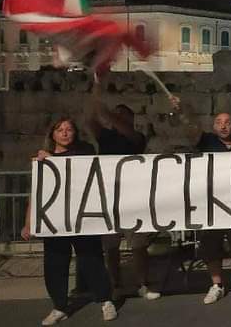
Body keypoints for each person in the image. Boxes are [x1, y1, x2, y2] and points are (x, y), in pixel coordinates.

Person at [21, 118, 117, 325]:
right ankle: (59, 306)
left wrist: (53, 161)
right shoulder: (42, 162)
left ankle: (105, 300)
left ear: (75, 133)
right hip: (55, 220)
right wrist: (28, 222)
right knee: (55, 263)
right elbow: (36, 194)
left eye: (69, 129)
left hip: (82, 217)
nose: (65, 133)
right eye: (60, 129)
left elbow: (83, 171)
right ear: (52, 134)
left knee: (92, 259)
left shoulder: (85, 151)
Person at [171, 96, 231, 306]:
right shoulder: (206, 141)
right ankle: (217, 285)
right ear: (213, 126)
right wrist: (183, 110)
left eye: (227, 123)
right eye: (219, 122)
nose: (223, 126)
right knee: (210, 246)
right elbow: (190, 127)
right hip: (210, 205)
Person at [87, 81, 159, 301]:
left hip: (133, 198)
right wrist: (96, 91)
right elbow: (90, 120)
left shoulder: (136, 138)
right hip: (109, 197)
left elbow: (121, 126)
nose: (117, 119)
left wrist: (107, 112)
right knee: (111, 247)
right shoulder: (105, 137)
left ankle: (142, 284)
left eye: (123, 116)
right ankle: (115, 283)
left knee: (138, 246)